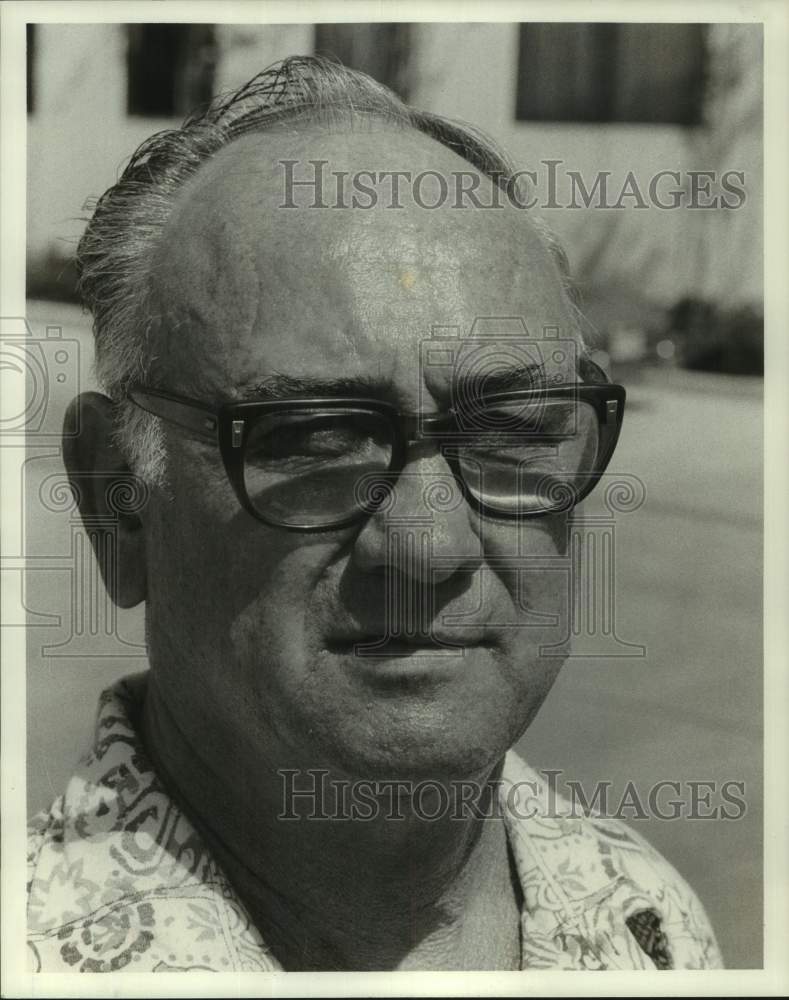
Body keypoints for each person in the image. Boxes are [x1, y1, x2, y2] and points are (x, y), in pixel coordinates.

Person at [27, 56, 721, 972]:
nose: (429, 545)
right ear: (117, 501)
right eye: (313, 440)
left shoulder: (651, 923)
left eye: (508, 426)